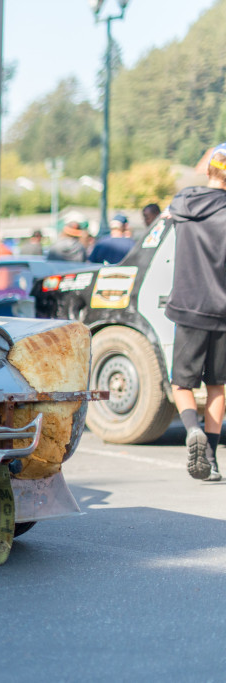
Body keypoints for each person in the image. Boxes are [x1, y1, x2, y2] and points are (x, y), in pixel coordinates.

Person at [165, 142, 226, 482]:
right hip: (223, 311)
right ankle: (213, 461)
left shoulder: (184, 202)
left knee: (182, 384)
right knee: (217, 386)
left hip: (188, 307)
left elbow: (194, 176)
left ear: (210, 170)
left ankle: (192, 431)